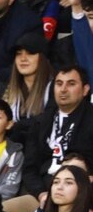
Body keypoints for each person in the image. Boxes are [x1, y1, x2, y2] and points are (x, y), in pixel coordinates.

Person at [23, 66, 93, 201]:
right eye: (59, 84)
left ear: (85, 90)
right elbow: (29, 170)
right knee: (10, 209)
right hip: (43, 193)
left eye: (71, 84)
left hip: (83, 193)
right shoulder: (40, 122)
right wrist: (41, 194)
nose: (63, 89)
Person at [2, 32, 53, 127]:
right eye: (18, 54)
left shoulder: (54, 88)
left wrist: (17, 126)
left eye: (30, 53)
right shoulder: (6, 89)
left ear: (43, 58)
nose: (23, 59)